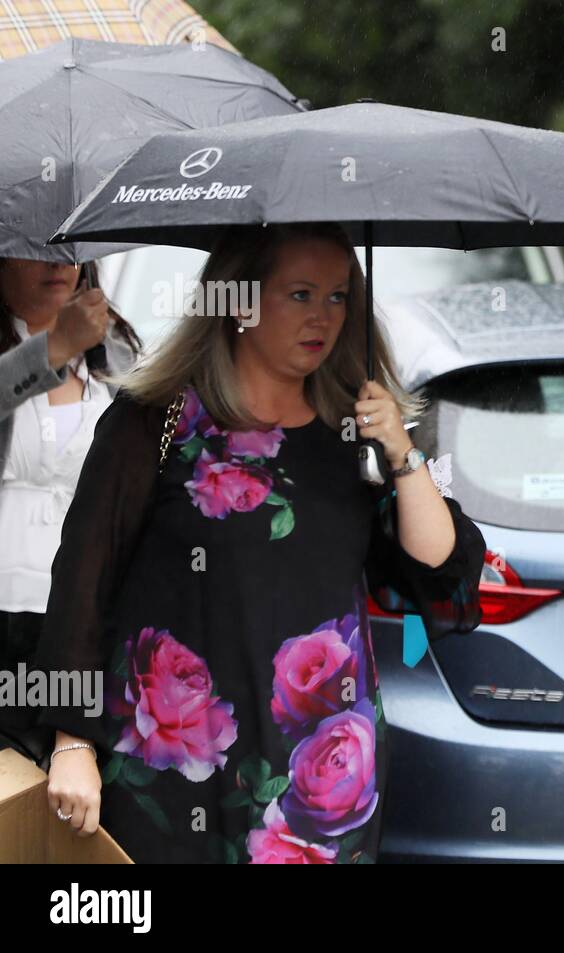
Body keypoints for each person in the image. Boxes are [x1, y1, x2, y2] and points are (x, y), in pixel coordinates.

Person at [34, 222, 486, 863]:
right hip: (176, 770)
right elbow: (84, 579)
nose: (323, 318)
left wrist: (401, 451)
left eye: (337, 297)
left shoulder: (350, 433)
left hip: (317, 785)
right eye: (300, 294)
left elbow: (438, 567)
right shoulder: (156, 420)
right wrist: (71, 743)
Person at [0, 257, 140, 762]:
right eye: (36, 243)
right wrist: (54, 348)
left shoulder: (120, 352)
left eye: (69, 242)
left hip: (83, 620)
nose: (59, 259)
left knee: (67, 803)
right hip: (5, 616)